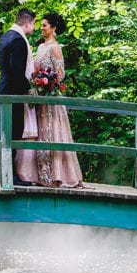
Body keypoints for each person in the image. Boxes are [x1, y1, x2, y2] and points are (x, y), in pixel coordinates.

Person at [15, 12, 83, 188]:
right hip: (40, 98)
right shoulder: (40, 47)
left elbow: (60, 75)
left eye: (44, 25)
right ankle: (41, 174)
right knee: (40, 134)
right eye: (41, 25)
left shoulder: (55, 48)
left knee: (53, 132)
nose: (41, 28)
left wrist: (47, 84)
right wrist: (36, 83)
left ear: (53, 28)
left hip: (50, 97)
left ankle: (57, 174)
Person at [0, 8, 36, 185]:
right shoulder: (19, 40)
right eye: (33, 24)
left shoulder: (5, 37)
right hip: (13, 92)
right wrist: (28, 89)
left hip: (4, 89)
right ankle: (10, 176)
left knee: (6, 132)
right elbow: (17, 70)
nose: (34, 27)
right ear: (27, 23)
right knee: (13, 132)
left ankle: (5, 173)